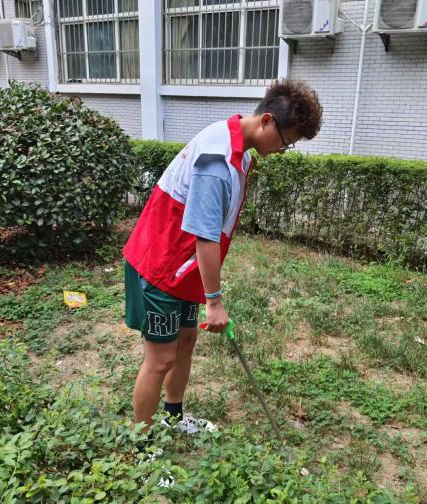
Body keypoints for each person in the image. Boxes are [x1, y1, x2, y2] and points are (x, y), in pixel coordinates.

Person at [122, 79, 323, 448]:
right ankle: (141, 448)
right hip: (160, 266)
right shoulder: (217, 159)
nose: (282, 150)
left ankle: (173, 416)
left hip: (183, 269)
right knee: (161, 358)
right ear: (266, 121)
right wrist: (213, 301)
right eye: (285, 142)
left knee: (186, 340)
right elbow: (205, 235)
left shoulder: (238, 149)